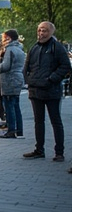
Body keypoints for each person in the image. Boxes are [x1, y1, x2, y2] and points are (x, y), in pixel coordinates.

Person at [22, 21, 72, 161]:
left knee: (55, 121)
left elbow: (65, 66)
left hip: (52, 91)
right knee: (38, 121)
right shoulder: (34, 48)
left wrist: (51, 79)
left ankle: (59, 152)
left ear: (51, 32)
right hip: (35, 90)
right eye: (39, 30)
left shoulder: (57, 48)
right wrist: (28, 80)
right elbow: (27, 66)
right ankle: (39, 149)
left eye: (44, 30)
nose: (41, 33)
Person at [0, 29, 26, 140]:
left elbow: (6, 66)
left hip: (9, 79)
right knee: (16, 106)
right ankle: (19, 130)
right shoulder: (20, 49)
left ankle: (11, 130)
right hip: (18, 78)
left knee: (9, 106)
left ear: (8, 38)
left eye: (4, 38)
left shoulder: (10, 50)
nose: (2, 40)